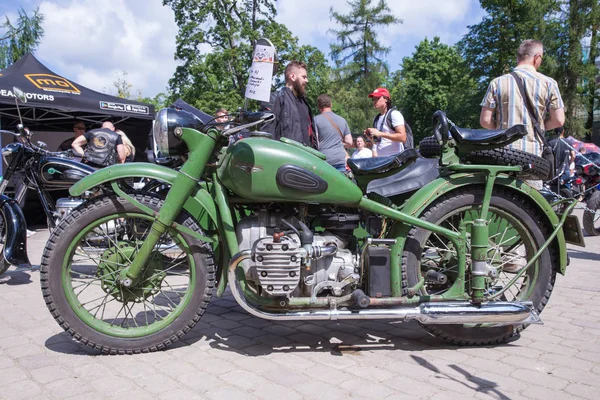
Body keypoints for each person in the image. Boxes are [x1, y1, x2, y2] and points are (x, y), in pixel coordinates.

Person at [480, 39, 565, 188]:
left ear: (517, 58)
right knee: (530, 207)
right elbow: (559, 120)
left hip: (503, 155)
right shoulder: (549, 83)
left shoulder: (497, 82)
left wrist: (502, 132)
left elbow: (485, 120)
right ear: (537, 57)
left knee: (501, 203)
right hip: (532, 158)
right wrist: (539, 127)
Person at [263, 60, 317, 148]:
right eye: (304, 77)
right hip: (285, 158)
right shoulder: (276, 99)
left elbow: (312, 136)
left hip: (306, 157)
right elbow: (267, 133)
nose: (307, 80)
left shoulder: (305, 104)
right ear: (292, 76)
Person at [313, 94, 352, 172]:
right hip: (340, 159)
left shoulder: (315, 120)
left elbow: (316, 142)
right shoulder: (342, 120)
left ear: (318, 106)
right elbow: (349, 142)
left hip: (325, 160)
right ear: (331, 104)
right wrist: (339, 143)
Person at [364, 87, 407, 157]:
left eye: (377, 98)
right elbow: (379, 141)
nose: (374, 101)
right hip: (382, 160)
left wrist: (380, 133)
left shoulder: (394, 114)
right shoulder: (376, 118)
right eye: (373, 99)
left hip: (394, 159)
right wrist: (371, 139)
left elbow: (403, 137)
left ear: (386, 99)